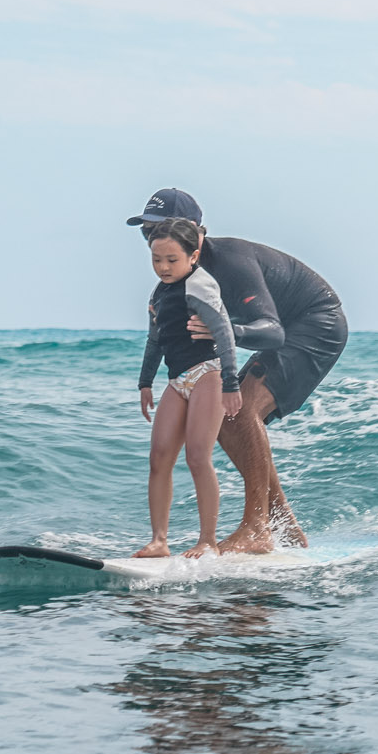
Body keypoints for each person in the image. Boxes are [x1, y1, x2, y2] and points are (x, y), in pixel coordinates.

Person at [126, 189, 347, 553]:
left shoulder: (229, 262)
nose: (153, 239)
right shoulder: (176, 280)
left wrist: (226, 332)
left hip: (314, 324)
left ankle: (258, 529)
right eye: (147, 232)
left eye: (162, 228)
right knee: (227, 421)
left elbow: (272, 331)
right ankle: (283, 526)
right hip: (282, 330)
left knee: (240, 411)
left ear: (197, 234)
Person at [135, 218, 244, 559]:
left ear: (193, 255)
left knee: (198, 457)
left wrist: (230, 382)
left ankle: (208, 540)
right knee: (159, 457)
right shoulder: (160, 291)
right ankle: (159, 541)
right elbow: (156, 339)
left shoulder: (200, 286)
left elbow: (224, 333)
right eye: (156, 260)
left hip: (208, 375)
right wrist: (145, 382)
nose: (163, 267)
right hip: (177, 379)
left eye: (171, 260)